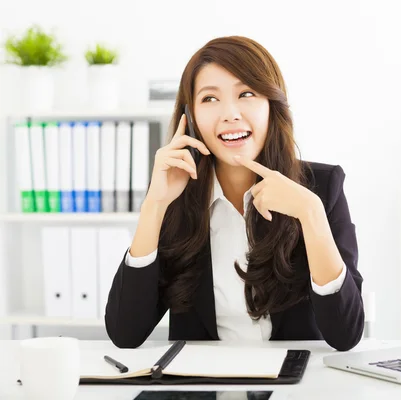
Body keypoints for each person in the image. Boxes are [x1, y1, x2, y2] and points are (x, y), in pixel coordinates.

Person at [105, 36, 364, 351]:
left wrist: (311, 215)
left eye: (246, 94)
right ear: (191, 117)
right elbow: (125, 333)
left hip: (298, 387)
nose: (230, 113)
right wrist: (154, 206)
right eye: (210, 99)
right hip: (204, 387)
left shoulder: (321, 188)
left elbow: (345, 335)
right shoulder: (175, 195)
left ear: (272, 105)